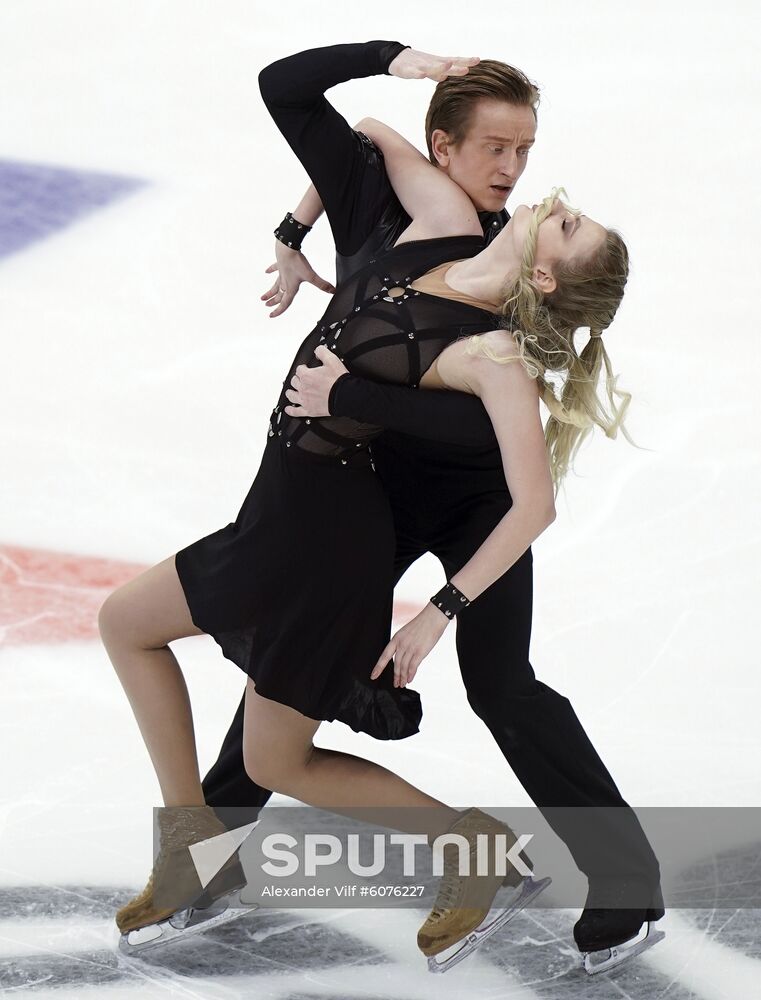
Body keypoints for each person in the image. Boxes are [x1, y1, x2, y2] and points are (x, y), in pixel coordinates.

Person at [206, 41, 665, 974]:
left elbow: (496, 453)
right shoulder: (409, 208)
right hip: (377, 491)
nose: (512, 172)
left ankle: (624, 878)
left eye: (524, 152)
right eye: (493, 148)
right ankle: (208, 852)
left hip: (473, 500)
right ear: (441, 150)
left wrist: (442, 606)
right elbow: (333, 117)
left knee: (502, 687)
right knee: (288, 643)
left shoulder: (497, 268)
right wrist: (299, 231)